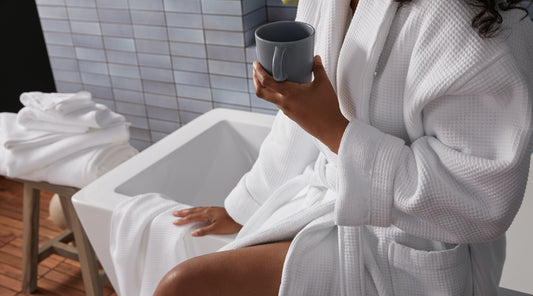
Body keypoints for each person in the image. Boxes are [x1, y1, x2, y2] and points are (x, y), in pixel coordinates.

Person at [154, 0, 533, 295]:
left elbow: (484, 198)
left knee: (181, 286)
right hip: (327, 203)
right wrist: (246, 206)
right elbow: (295, 129)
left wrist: (335, 129)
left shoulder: (465, 20)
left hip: (411, 245)